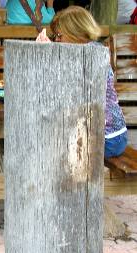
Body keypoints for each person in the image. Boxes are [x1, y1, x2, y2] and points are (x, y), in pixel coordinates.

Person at [49, 6, 127, 158]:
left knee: (51, 140)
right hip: (112, 135)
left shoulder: (90, 55)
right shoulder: (90, 51)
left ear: (76, 33)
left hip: (107, 138)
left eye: (59, 35)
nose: (56, 41)